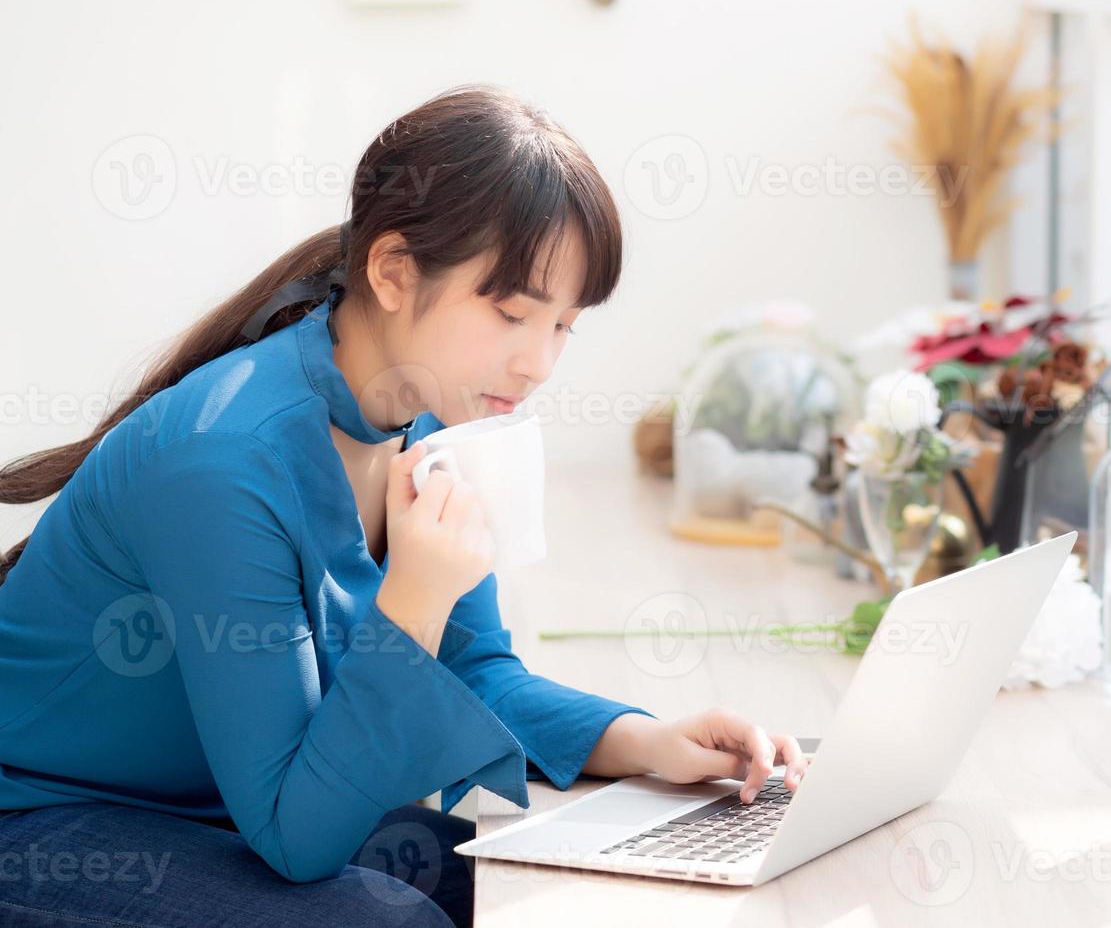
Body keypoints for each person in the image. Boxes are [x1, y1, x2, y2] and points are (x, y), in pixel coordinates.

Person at [0, 84, 809, 927]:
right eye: (511, 313)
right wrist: (415, 596)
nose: (538, 363)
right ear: (392, 271)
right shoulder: (223, 462)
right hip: (44, 827)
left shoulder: (430, 414)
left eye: (565, 325)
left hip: (225, 810)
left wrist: (647, 742)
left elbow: (473, 671)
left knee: (543, 893)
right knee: (391, 920)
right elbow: (296, 838)